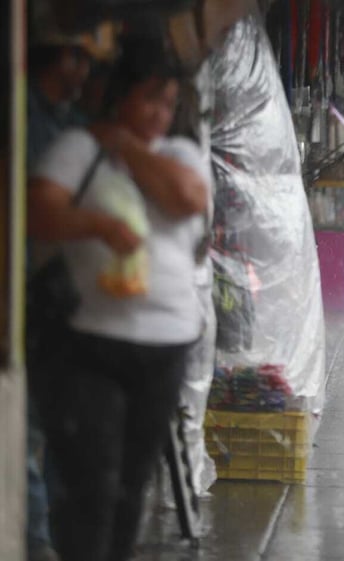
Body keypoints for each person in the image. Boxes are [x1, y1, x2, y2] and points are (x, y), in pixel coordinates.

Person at [26, 37, 210, 561]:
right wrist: (100, 226)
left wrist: (126, 146)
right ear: (121, 94)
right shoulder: (78, 148)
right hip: (90, 343)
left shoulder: (178, 153)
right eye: (149, 98)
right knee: (92, 483)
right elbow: (38, 213)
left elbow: (188, 199)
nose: (159, 113)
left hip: (166, 346)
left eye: (168, 103)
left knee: (131, 483)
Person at [25, 28, 94, 561]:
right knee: (31, 418)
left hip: (66, 287)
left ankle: (51, 529)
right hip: (28, 284)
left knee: (61, 418)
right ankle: (38, 537)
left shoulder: (72, 126)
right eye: (80, 58)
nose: (87, 72)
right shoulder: (23, 116)